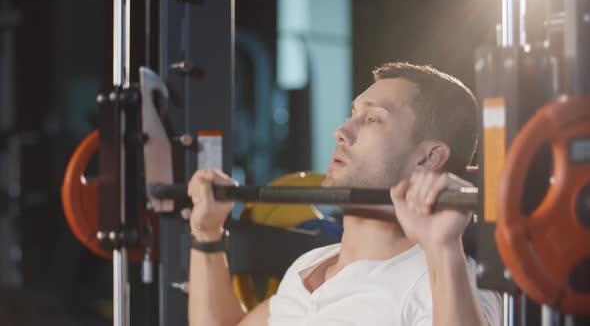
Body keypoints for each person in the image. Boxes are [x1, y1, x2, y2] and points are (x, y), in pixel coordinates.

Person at [186, 62, 502, 325]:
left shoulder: (443, 284)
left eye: (373, 119)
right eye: (352, 115)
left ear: (429, 158)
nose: (342, 131)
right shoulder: (309, 266)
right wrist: (207, 234)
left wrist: (444, 249)